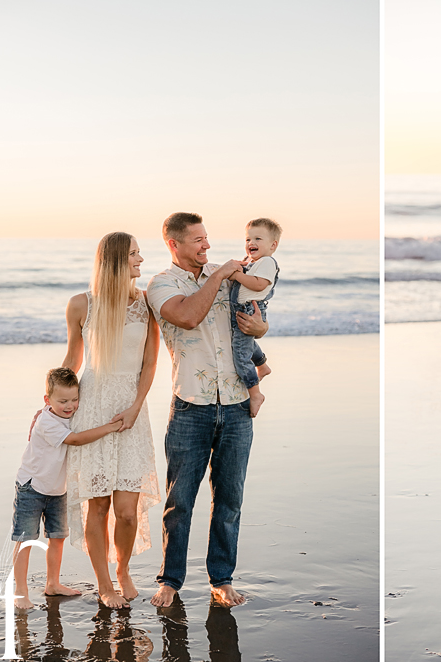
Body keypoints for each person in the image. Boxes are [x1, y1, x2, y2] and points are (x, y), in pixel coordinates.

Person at [146, 212, 268, 608]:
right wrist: (218, 278)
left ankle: (222, 578)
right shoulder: (161, 284)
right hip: (190, 406)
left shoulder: (229, 274)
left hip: (235, 404)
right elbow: (186, 315)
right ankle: (170, 581)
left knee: (229, 499)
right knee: (179, 502)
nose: (207, 246)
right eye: (198, 240)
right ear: (174, 244)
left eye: (207, 238)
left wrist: (260, 329)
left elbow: (256, 317)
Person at [63, 232, 161, 609]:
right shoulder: (80, 305)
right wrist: (54, 406)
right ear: (118, 261)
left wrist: (137, 405)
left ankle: (123, 569)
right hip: (93, 404)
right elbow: (73, 360)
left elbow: (151, 362)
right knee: (97, 505)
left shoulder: (147, 304)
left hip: (131, 408)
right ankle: (104, 583)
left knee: (126, 510)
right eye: (135, 253)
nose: (140, 259)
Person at [12, 367, 123, 609]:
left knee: (58, 538)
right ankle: (20, 591)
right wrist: (109, 427)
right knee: (26, 540)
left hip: (57, 490)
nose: (69, 406)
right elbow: (75, 439)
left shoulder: (70, 414)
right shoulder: (46, 421)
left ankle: (52, 584)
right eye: (62, 401)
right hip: (32, 486)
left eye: (74, 400)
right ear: (47, 400)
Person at [227, 217, 281, 418]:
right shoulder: (255, 262)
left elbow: (258, 284)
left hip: (250, 309)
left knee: (241, 354)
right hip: (242, 309)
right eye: (248, 239)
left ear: (273, 245)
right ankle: (262, 365)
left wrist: (237, 276)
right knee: (245, 344)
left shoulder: (267, 262)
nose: (251, 243)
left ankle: (255, 393)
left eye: (258, 239)